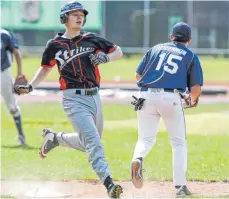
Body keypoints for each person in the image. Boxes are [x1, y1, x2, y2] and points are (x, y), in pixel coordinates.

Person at [14, 1, 123, 198]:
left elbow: (118, 51)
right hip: (73, 99)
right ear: (65, 19)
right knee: (93, 142)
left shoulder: (92, 39)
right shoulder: (54, 45)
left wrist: (107, 58)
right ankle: (109, 184)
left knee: (88, 143)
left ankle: (55, 138)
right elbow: (46, 68)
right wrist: (30, 86)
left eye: (81, 14)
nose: (79, 17)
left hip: (94, 97)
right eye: (74, 14)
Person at [130, 22, 203, 197]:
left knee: (145, 138)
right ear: (189, 39)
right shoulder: (190, 55)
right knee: (178, 143)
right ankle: (180, 187)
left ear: (171, 37)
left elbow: (138, 76)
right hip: (171, 98)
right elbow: (196, 89)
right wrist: (191, 100)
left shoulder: (155, 49)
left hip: (145, 96)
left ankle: (137, 158)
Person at [1, 29, 26, 145]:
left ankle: (21, 136)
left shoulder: (4, 35)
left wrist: (19, 73)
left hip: (3, 73)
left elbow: (16, 53)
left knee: (12, 106)